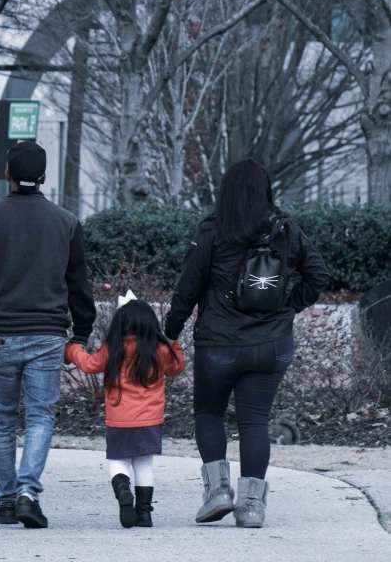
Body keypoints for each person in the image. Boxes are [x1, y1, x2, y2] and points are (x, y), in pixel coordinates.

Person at [164, 158, 329, 529]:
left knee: (208, 413)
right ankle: (252, 507)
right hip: (272, 344)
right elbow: (318, 275)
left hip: (219, 344)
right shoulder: (286, 230)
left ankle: (218, 492)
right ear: (266, 190)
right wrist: (289, 305)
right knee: (255, 422)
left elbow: (187, 288)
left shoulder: (212, 230)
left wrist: (170, 332)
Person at [0, 141, 96, 529]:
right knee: (40, 417)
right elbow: (78, 284)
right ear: (45, 178)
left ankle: (5, 499)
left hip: (1, 332)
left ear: (6, 175)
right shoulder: (66, 222)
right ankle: (27, 493)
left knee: (1, 419)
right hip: (49, 334)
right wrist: (81, 330)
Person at [66, 291, 184, 528]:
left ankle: (122, 490)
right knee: (144, 463)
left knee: (119, 460)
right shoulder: (158, 350)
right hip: (150, 420)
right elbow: (176, 368)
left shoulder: (114, 348)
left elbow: (90, 365)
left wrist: (71, 350)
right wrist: (175, 345)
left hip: (119, 419)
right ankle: (144, 513)